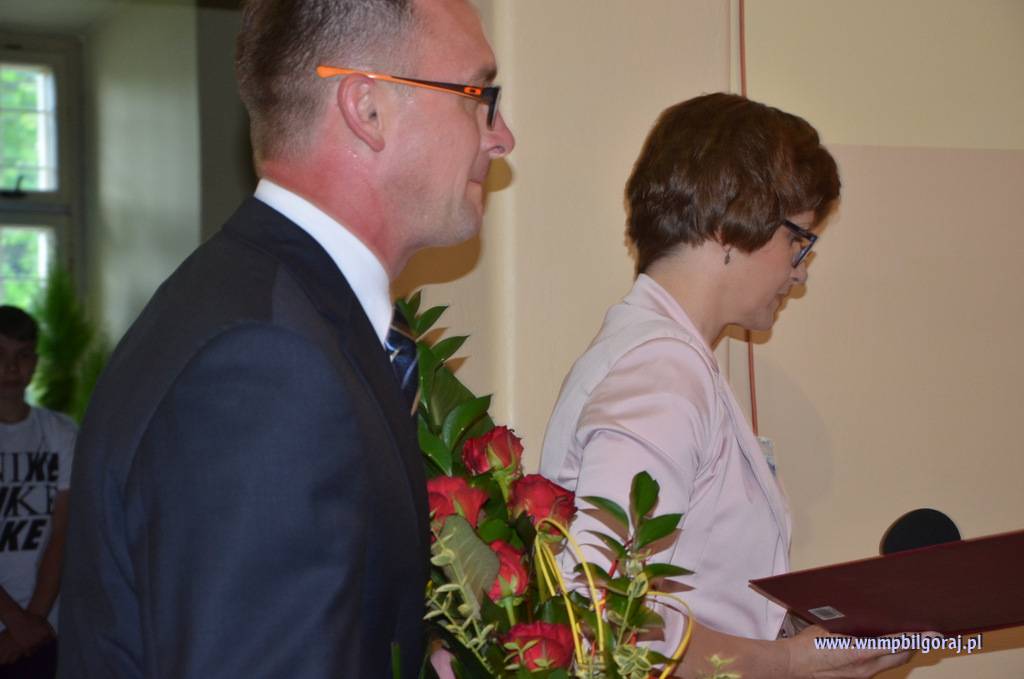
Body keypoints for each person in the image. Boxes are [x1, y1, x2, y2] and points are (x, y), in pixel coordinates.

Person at [58, 0, 514, 676]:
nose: (501, 137)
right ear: (368, 109)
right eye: (478, 96)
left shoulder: (271, 311)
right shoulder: (265, 366)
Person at [540, 93, 911, 678]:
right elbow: (599, 612)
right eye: (798, 240)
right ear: (729, 222)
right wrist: (786, 663)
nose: (800, 273)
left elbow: (684, 599)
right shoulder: (663, 370)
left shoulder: (661, 354)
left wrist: (803, 638)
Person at [0, 306, 77, 679]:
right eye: (0, 355)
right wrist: (14, 620)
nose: (10, 368)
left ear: (35, 362)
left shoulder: (61, 433)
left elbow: (62, 534)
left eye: (23, 355)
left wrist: (32, 620)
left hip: (45, 625)